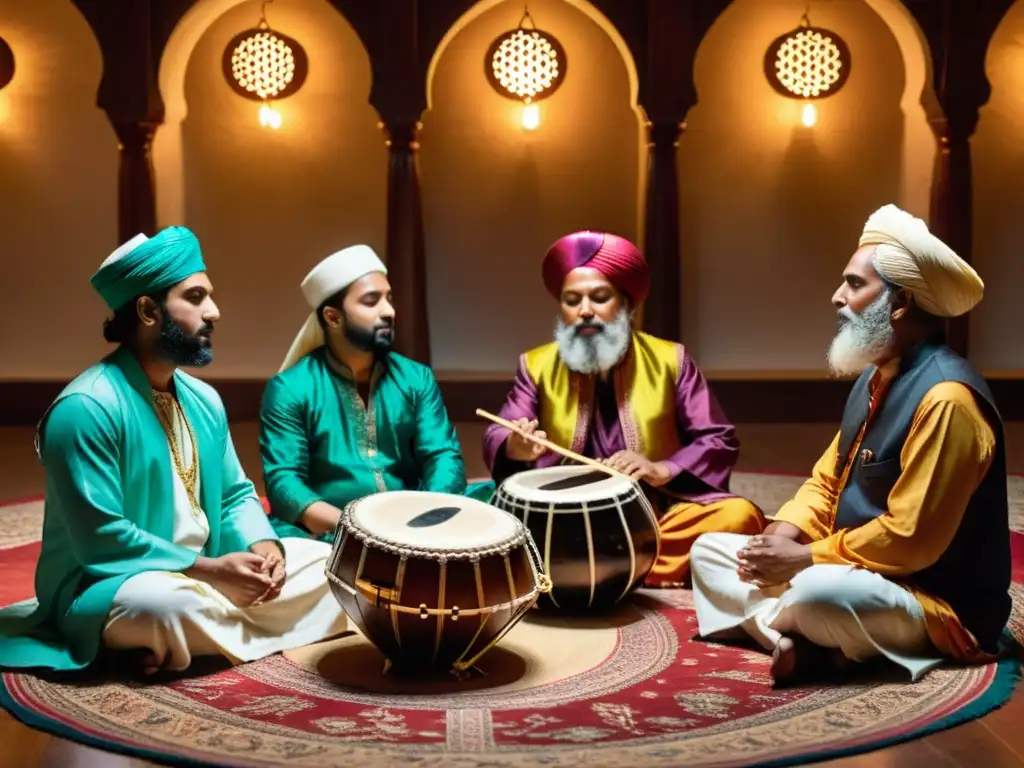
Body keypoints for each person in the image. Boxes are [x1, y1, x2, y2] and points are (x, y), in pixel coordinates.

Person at [0, 228, 347, 675]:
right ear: (148, 310)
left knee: (331, 567)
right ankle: (157, 638)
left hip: (215, 567)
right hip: (116, 582)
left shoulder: (203, 400)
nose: (214, 312)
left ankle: (173, 650)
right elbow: (102, 538)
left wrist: (266, 548)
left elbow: (234, 495)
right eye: (196, 297)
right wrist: (209, 571)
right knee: (162, 610)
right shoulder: (86, 408)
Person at [689, 204, 1010, 686]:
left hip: (929, 599)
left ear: (900, 302)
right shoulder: (875, 378)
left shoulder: (947, 401)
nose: (837, 297)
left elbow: (909, 541)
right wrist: (786, 534)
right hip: (857, 568)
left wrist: (804, 560)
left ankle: (803, 637)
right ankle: (806, 646)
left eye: (855, 284)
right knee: (712, 551)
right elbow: (827, 482)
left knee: (820, 592)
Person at [482, 231, 765, 585]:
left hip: (650, 517)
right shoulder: (537, 366)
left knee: (738, 517)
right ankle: (630, 570)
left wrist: (661, 468)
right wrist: (515, 444)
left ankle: (587, 571)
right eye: (572, 300)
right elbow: (501, 428)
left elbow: (718, 439)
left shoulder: (670, 360)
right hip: (563, 517)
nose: (585, 310)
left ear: (626, 306)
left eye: (600, 298)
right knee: (493, 514)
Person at [260, 245, 491, 542]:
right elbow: (284, 482)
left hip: (415, 520)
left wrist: (428, 513)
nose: (389, 311)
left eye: (389, 298)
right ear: (332, 318)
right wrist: (355, 527)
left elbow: (442, 455)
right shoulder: (290, 388)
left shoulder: (415, 378)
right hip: (334, 531)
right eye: (371, 302)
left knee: (500, 501)